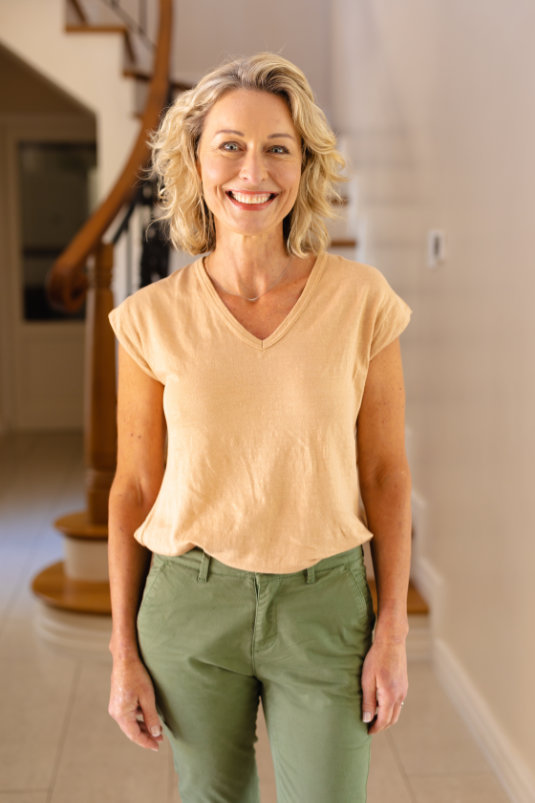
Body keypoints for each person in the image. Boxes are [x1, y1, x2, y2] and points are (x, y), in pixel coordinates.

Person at [107, 52, 412, 803]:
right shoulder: (150, 319)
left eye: (278, 147)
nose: (254, 169)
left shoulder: (360, 300)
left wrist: (393, 631)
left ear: (304, 164)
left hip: (325, 602)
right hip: (189, 603)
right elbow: (136, 486)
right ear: (197, 160)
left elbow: (385, 475)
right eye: (230, 145)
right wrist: (122, 652)